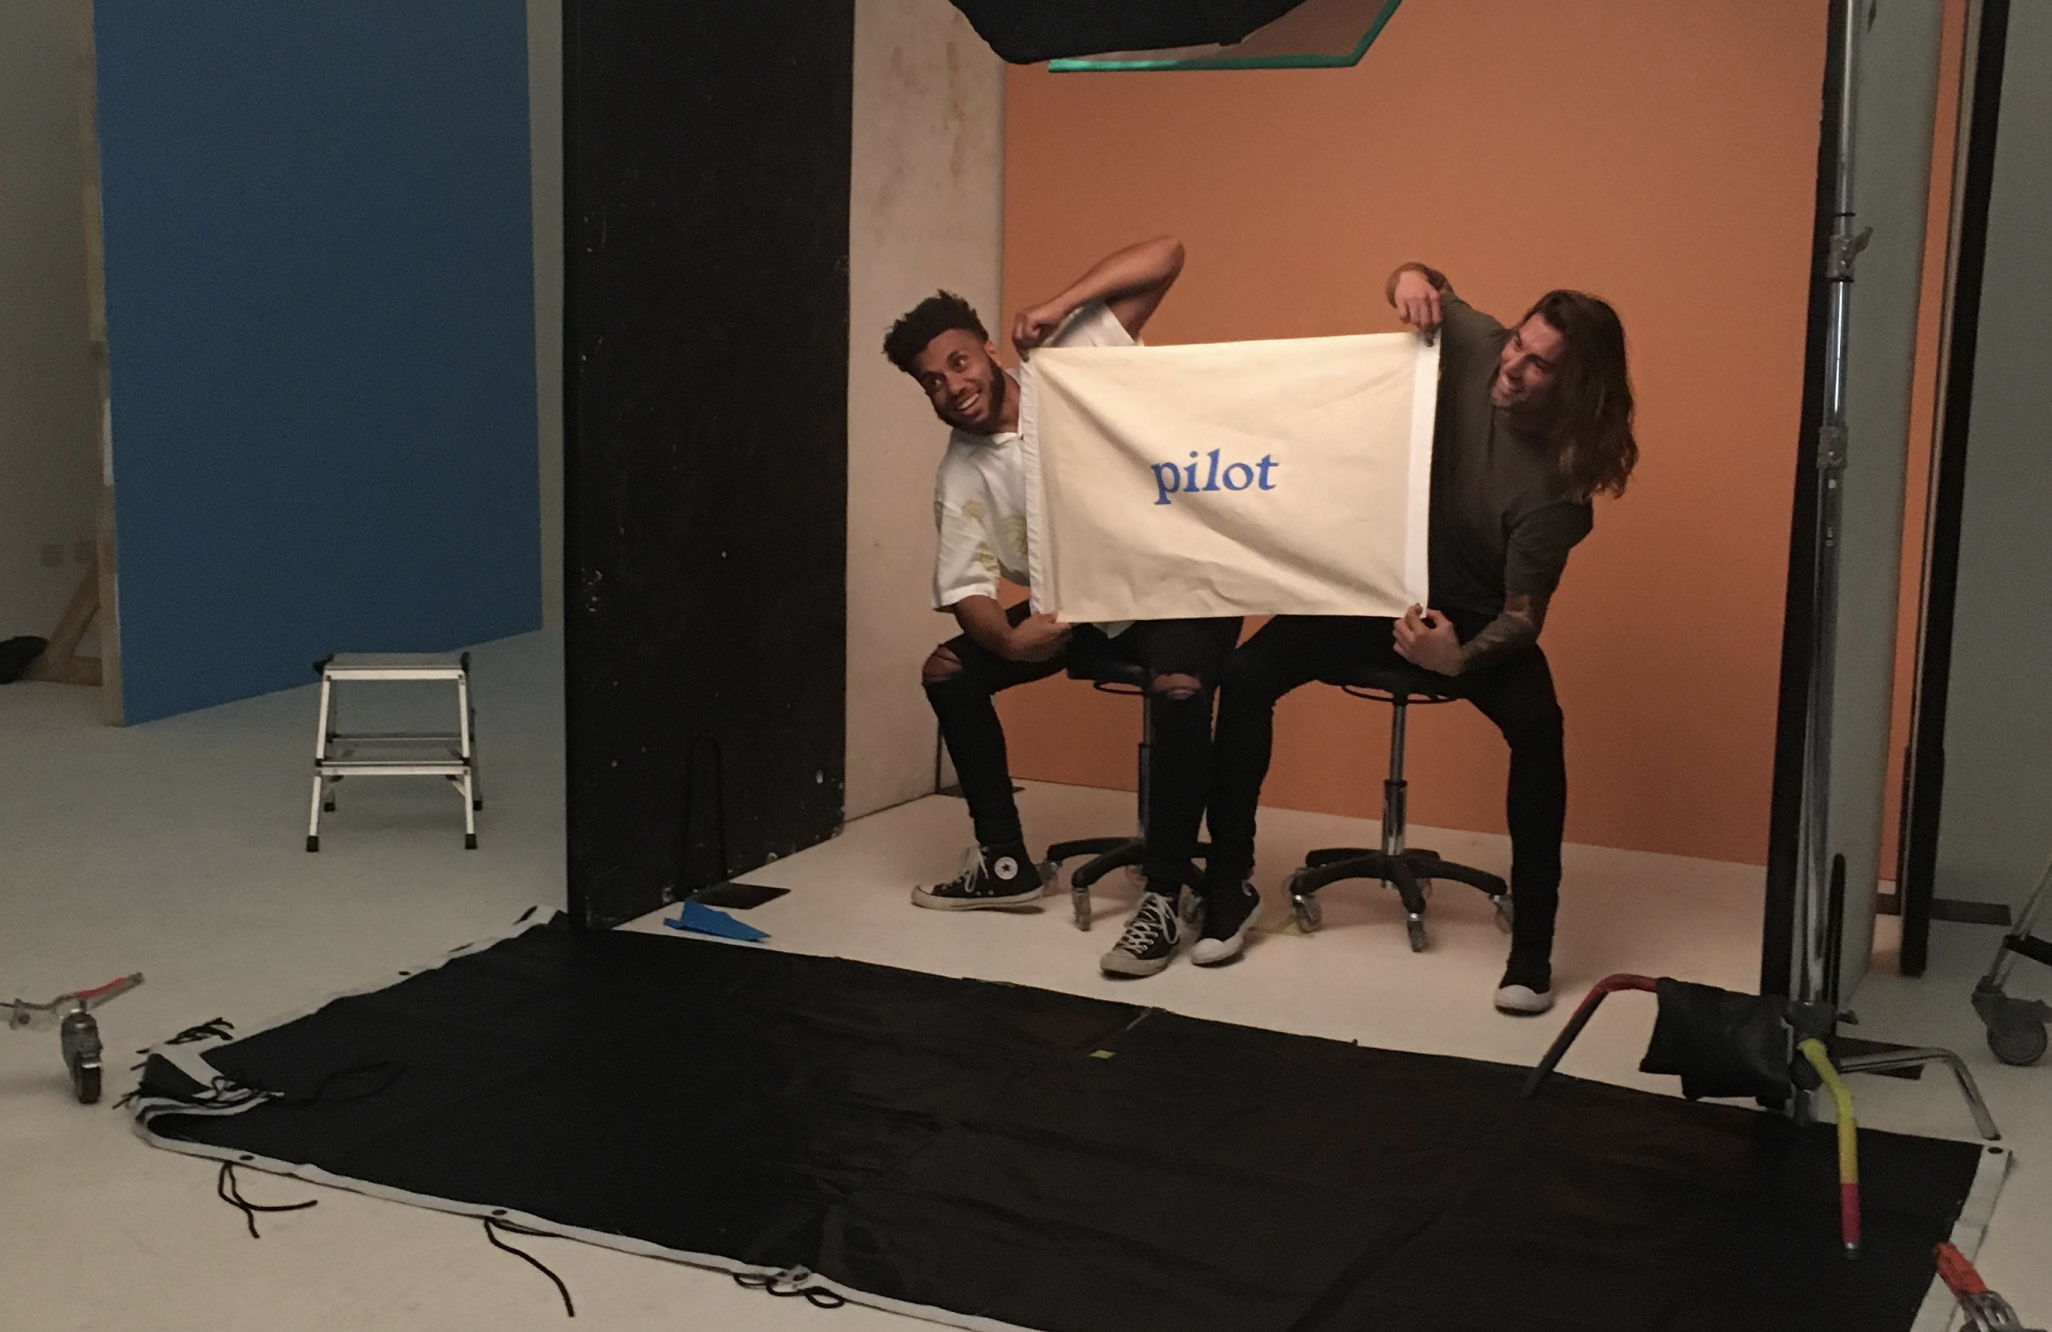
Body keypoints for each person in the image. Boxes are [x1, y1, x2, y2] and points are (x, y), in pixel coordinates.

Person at [1190, 262, 1640, 1011]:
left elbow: (1523, 617)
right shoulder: (1479, 345)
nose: (1514, 366)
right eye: (1519, 344)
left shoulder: (1558, 489)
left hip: (1470, 619)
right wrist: (1406, 279)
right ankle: (1228, 889)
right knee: (1244, 676)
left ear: (1575, 388)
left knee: (1538, 726)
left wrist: (1456, 659)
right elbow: (1427, 279)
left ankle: (1532, 949)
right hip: (1380, 586)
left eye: (1540, 365)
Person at [882, 237, 1242, 978]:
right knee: (948, 671)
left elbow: (1169, 255)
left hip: (1175, 587)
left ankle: (1164, 895)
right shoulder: (961, 474)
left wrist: (1060, 304)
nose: (952, 387)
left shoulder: (1069, 365)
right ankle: (1004, 863)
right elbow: (969, 592)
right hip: (1080, 604)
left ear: (988, 350)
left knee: (1179, 689)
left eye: (958, 362)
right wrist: (1011, 645)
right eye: (931, 383)